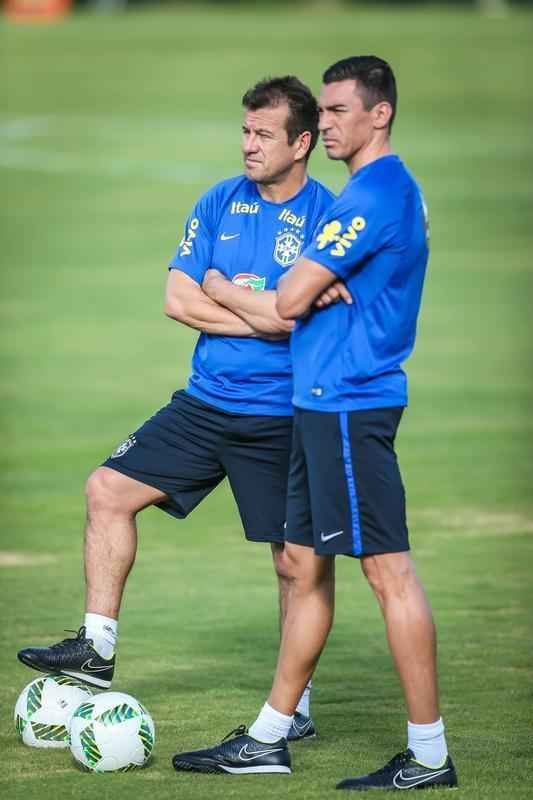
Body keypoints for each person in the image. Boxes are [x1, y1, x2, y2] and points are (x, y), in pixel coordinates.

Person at [17, 76, 335, 741]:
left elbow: (293, 315)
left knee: (292, 562)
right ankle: (97, 646)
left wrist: (228, 295)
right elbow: (178, 300)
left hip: (280, 417)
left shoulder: (324, 219)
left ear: (302, 142)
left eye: (262, 134)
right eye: (243, 131)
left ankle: (294, 708)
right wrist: (262, 314)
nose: (247, 145)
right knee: (106, 490)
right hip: (203, 404)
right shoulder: (219, 200)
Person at [171, 56, 458, 791]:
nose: (324, 124)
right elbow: (290, 294)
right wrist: (268, 293)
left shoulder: (375, 194)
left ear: (378, 114)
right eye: (322, 112)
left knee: (387, 572)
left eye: (336, 112)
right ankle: (270, 736)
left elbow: (292, 297)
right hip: (317, 406)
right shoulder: (361, 192)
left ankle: (428, 755)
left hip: (349, 403)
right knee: (303, 569)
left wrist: (214, 283)